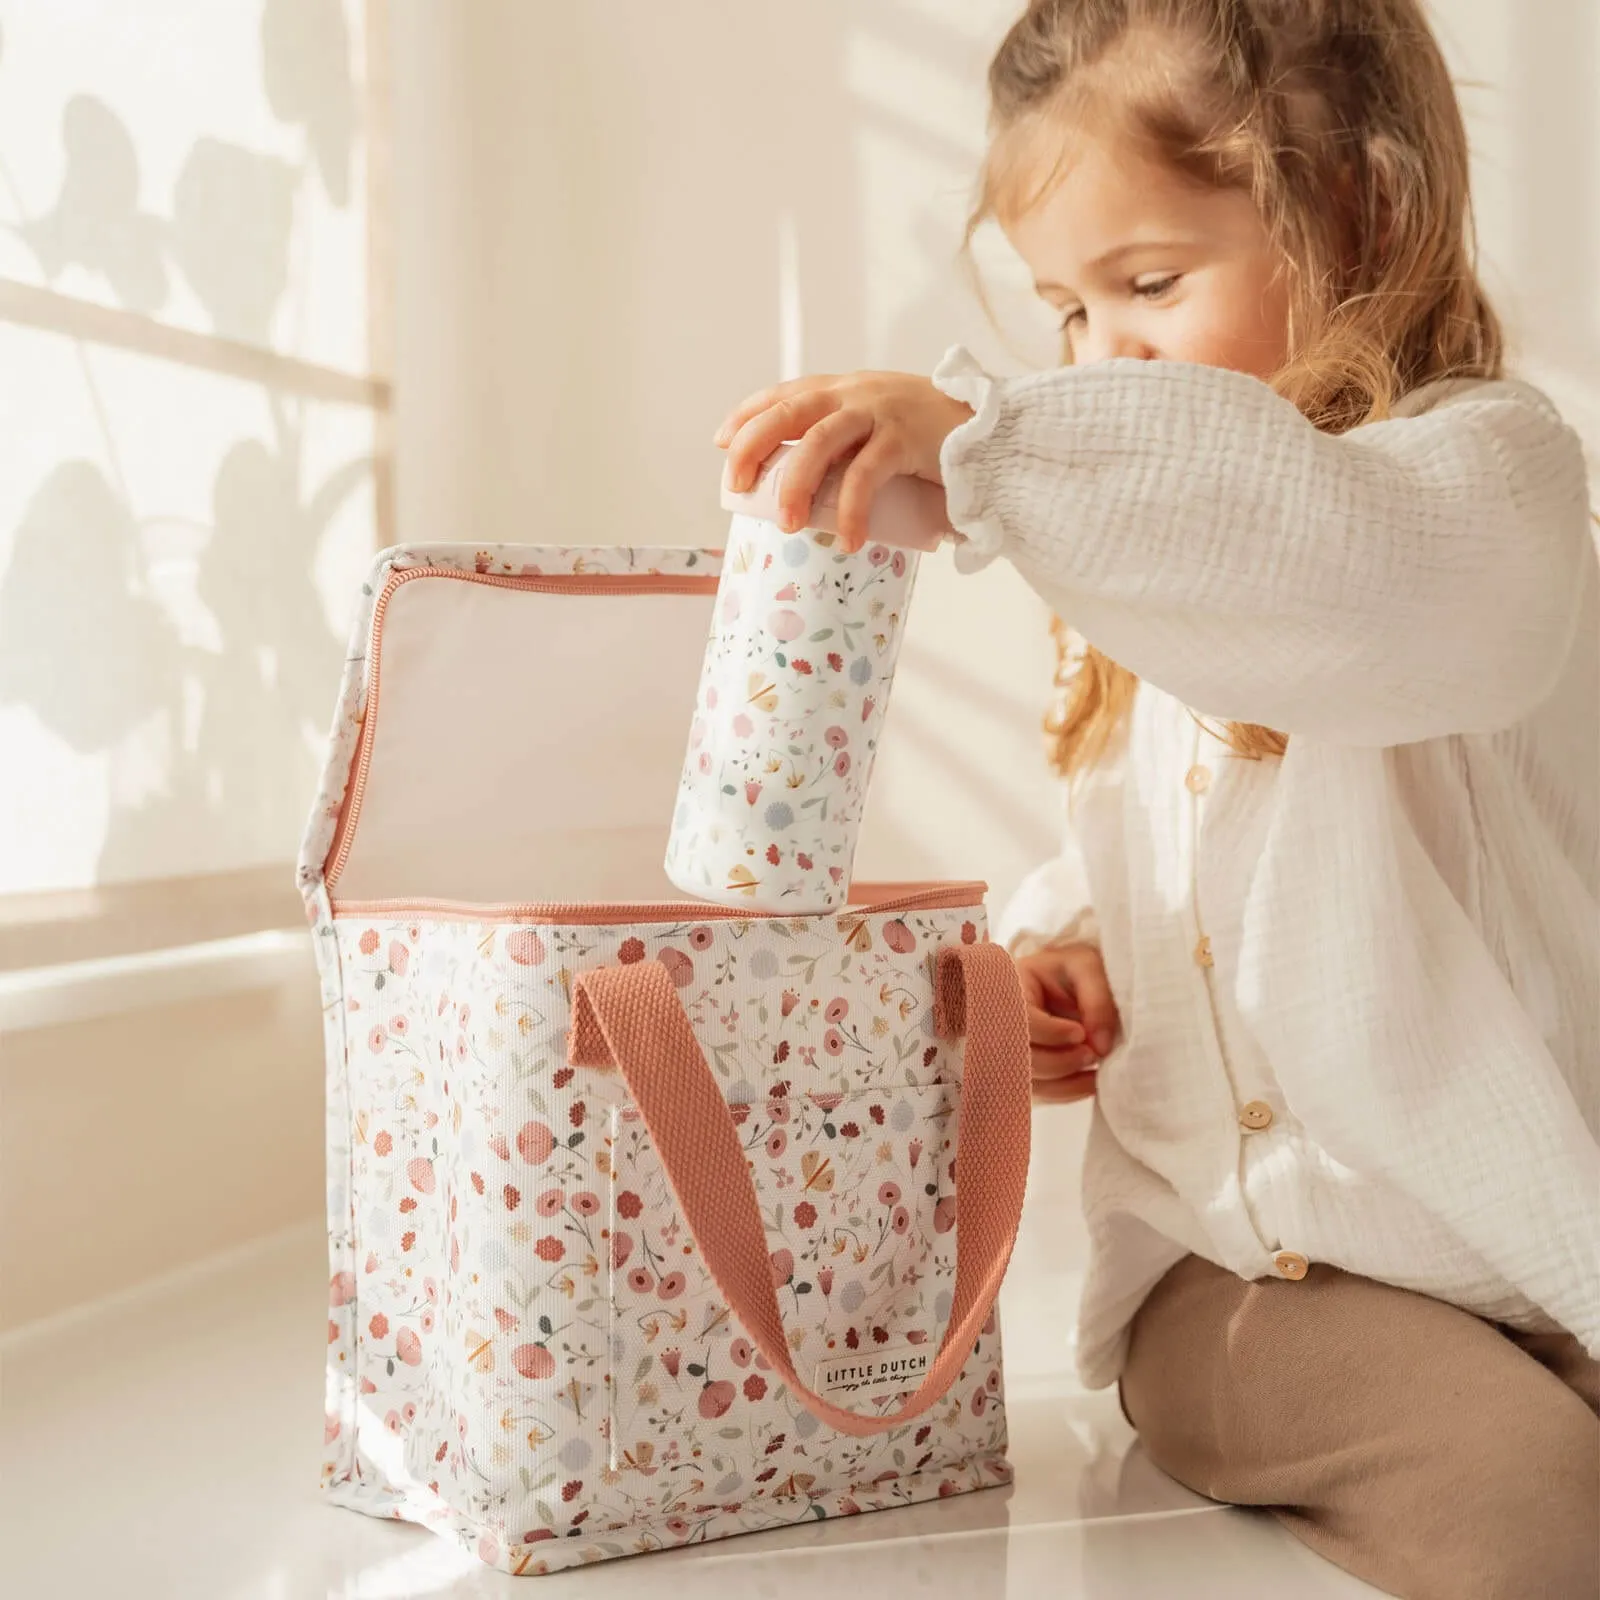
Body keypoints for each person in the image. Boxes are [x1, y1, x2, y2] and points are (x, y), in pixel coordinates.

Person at [713, 3, 1600, 1595]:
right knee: (1543, 1509)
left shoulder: (1488, 482)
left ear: (1364, 214)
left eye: (1150, 286)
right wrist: (1069, 951)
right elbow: (1141, 839)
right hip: (1242, 1283)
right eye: (1065, 309)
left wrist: (999, 451)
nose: (1099, 354)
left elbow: (1331, 564)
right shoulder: (1140, 585)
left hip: (1520, 1250)